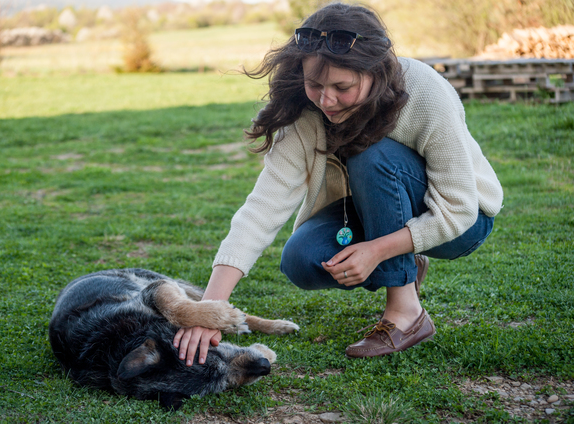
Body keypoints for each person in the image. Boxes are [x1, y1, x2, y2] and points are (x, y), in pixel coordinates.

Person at [173, 2, 503, 365]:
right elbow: (261, 209)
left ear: (376, 72)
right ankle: (406, 257)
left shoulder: (425, 91)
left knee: (372, 155)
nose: (326, 100)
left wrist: (377, 250)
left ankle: (406, 313)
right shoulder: (305, 112)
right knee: (301, 260)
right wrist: (209, 310)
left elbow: (459, 209)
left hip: (464, 222)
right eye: (314, 84)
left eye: (342, 87)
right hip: (369, 210)